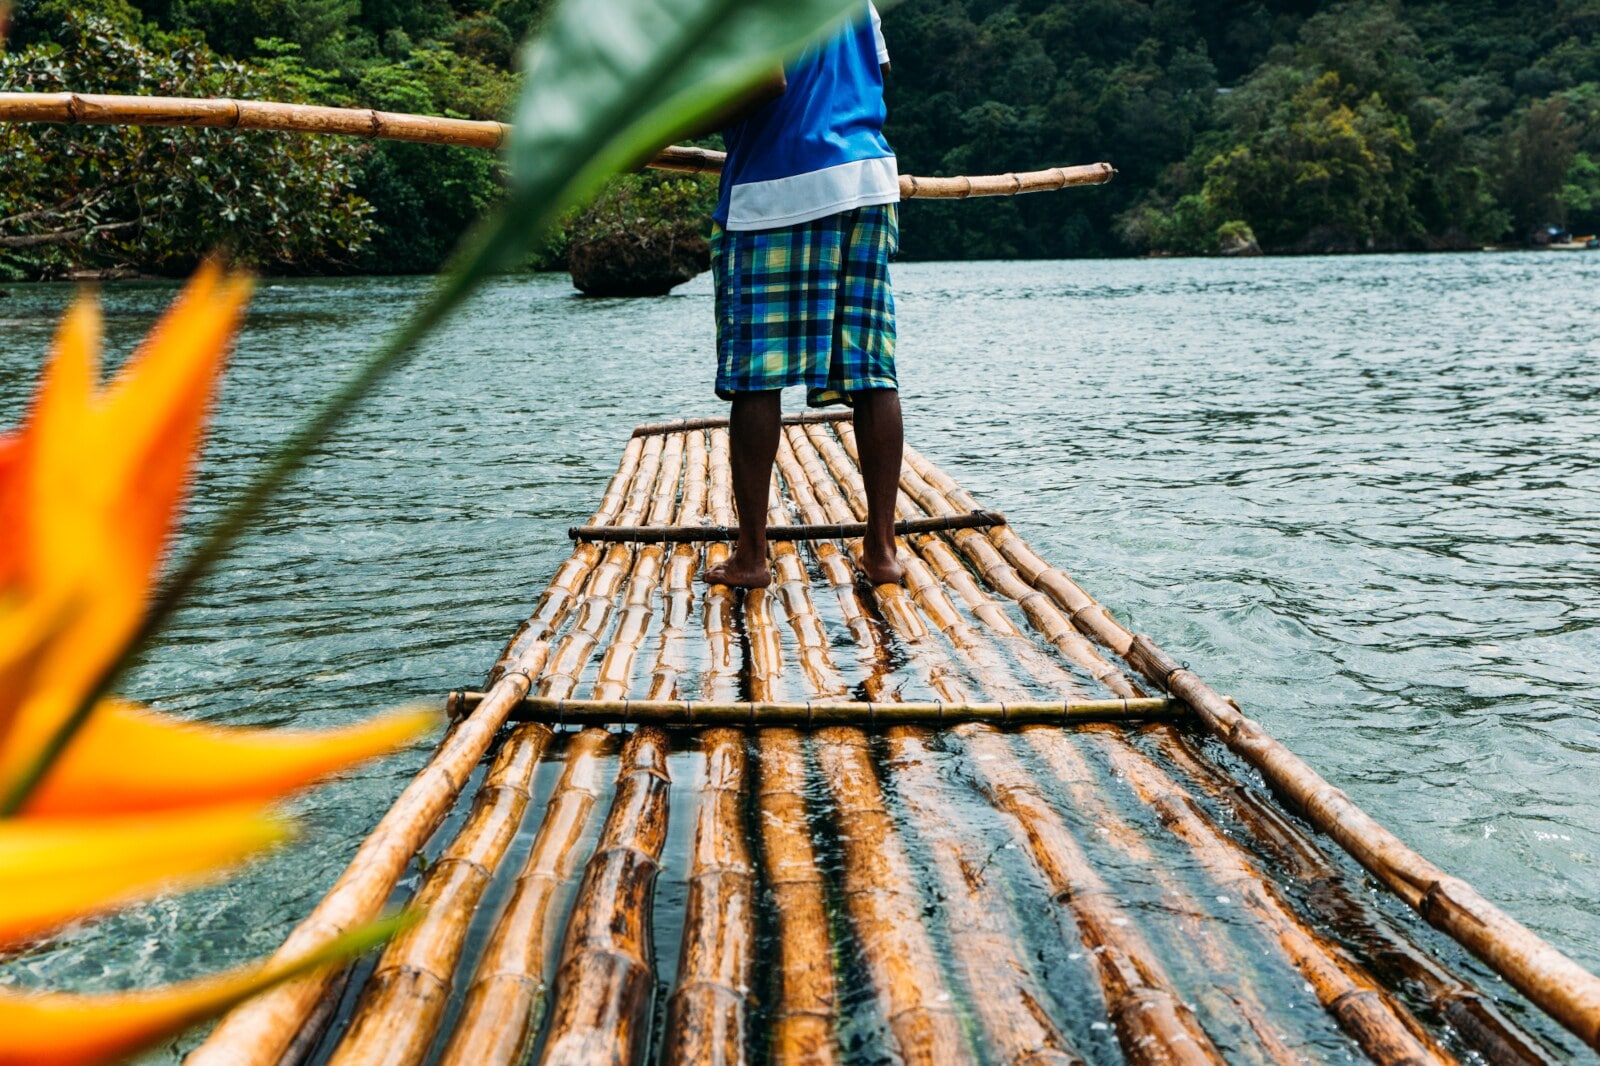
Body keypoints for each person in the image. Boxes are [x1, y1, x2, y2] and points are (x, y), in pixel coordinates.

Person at [699, 2, 905, 590]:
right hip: (867, 180)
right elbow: (877, 71)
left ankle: (752, 557)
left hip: (778, 189)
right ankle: (882, 551)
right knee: (870, 371)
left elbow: (766, 80)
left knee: (756, 375)